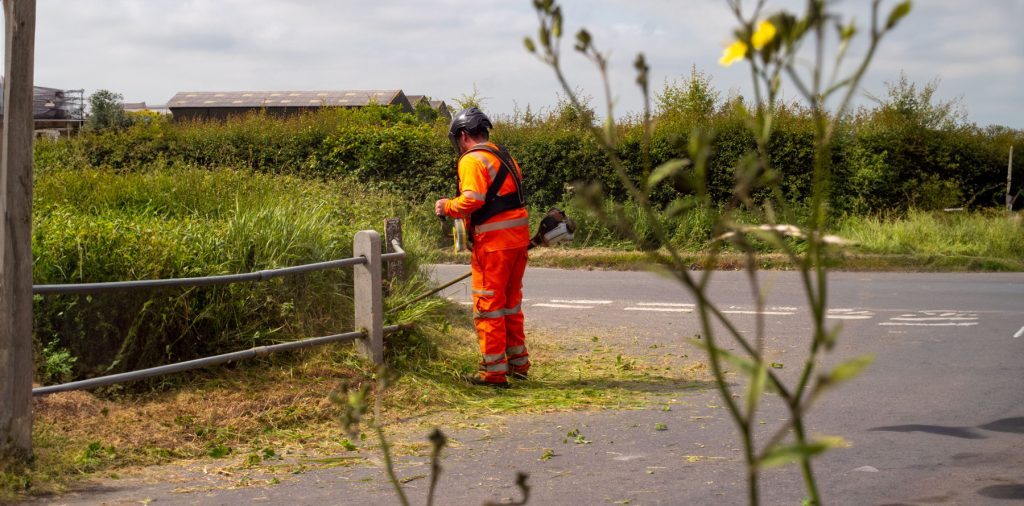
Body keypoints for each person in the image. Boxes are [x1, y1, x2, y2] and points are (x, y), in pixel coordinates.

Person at [435, 107, 530, 388]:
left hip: (493, 245)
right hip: (517, 240)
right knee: (510, 305)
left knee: (488, 307)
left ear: (463, 135)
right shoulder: (504, 155)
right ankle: (518, 365)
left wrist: (446, 206)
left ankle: (493, 373)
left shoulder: (471, 159)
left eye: (457, 139)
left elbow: (473, 200)